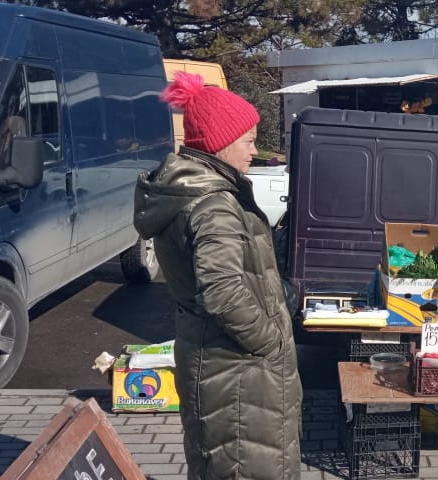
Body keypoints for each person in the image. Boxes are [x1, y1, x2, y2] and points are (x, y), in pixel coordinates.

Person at [133, 71, 302, 480]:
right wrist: (271, 342)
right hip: (237, 374)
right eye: (248, 140)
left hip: (222, 366)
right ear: (222, 143)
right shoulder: (213, 205)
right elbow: (222, 292)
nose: (255, 150)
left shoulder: (198, 193)